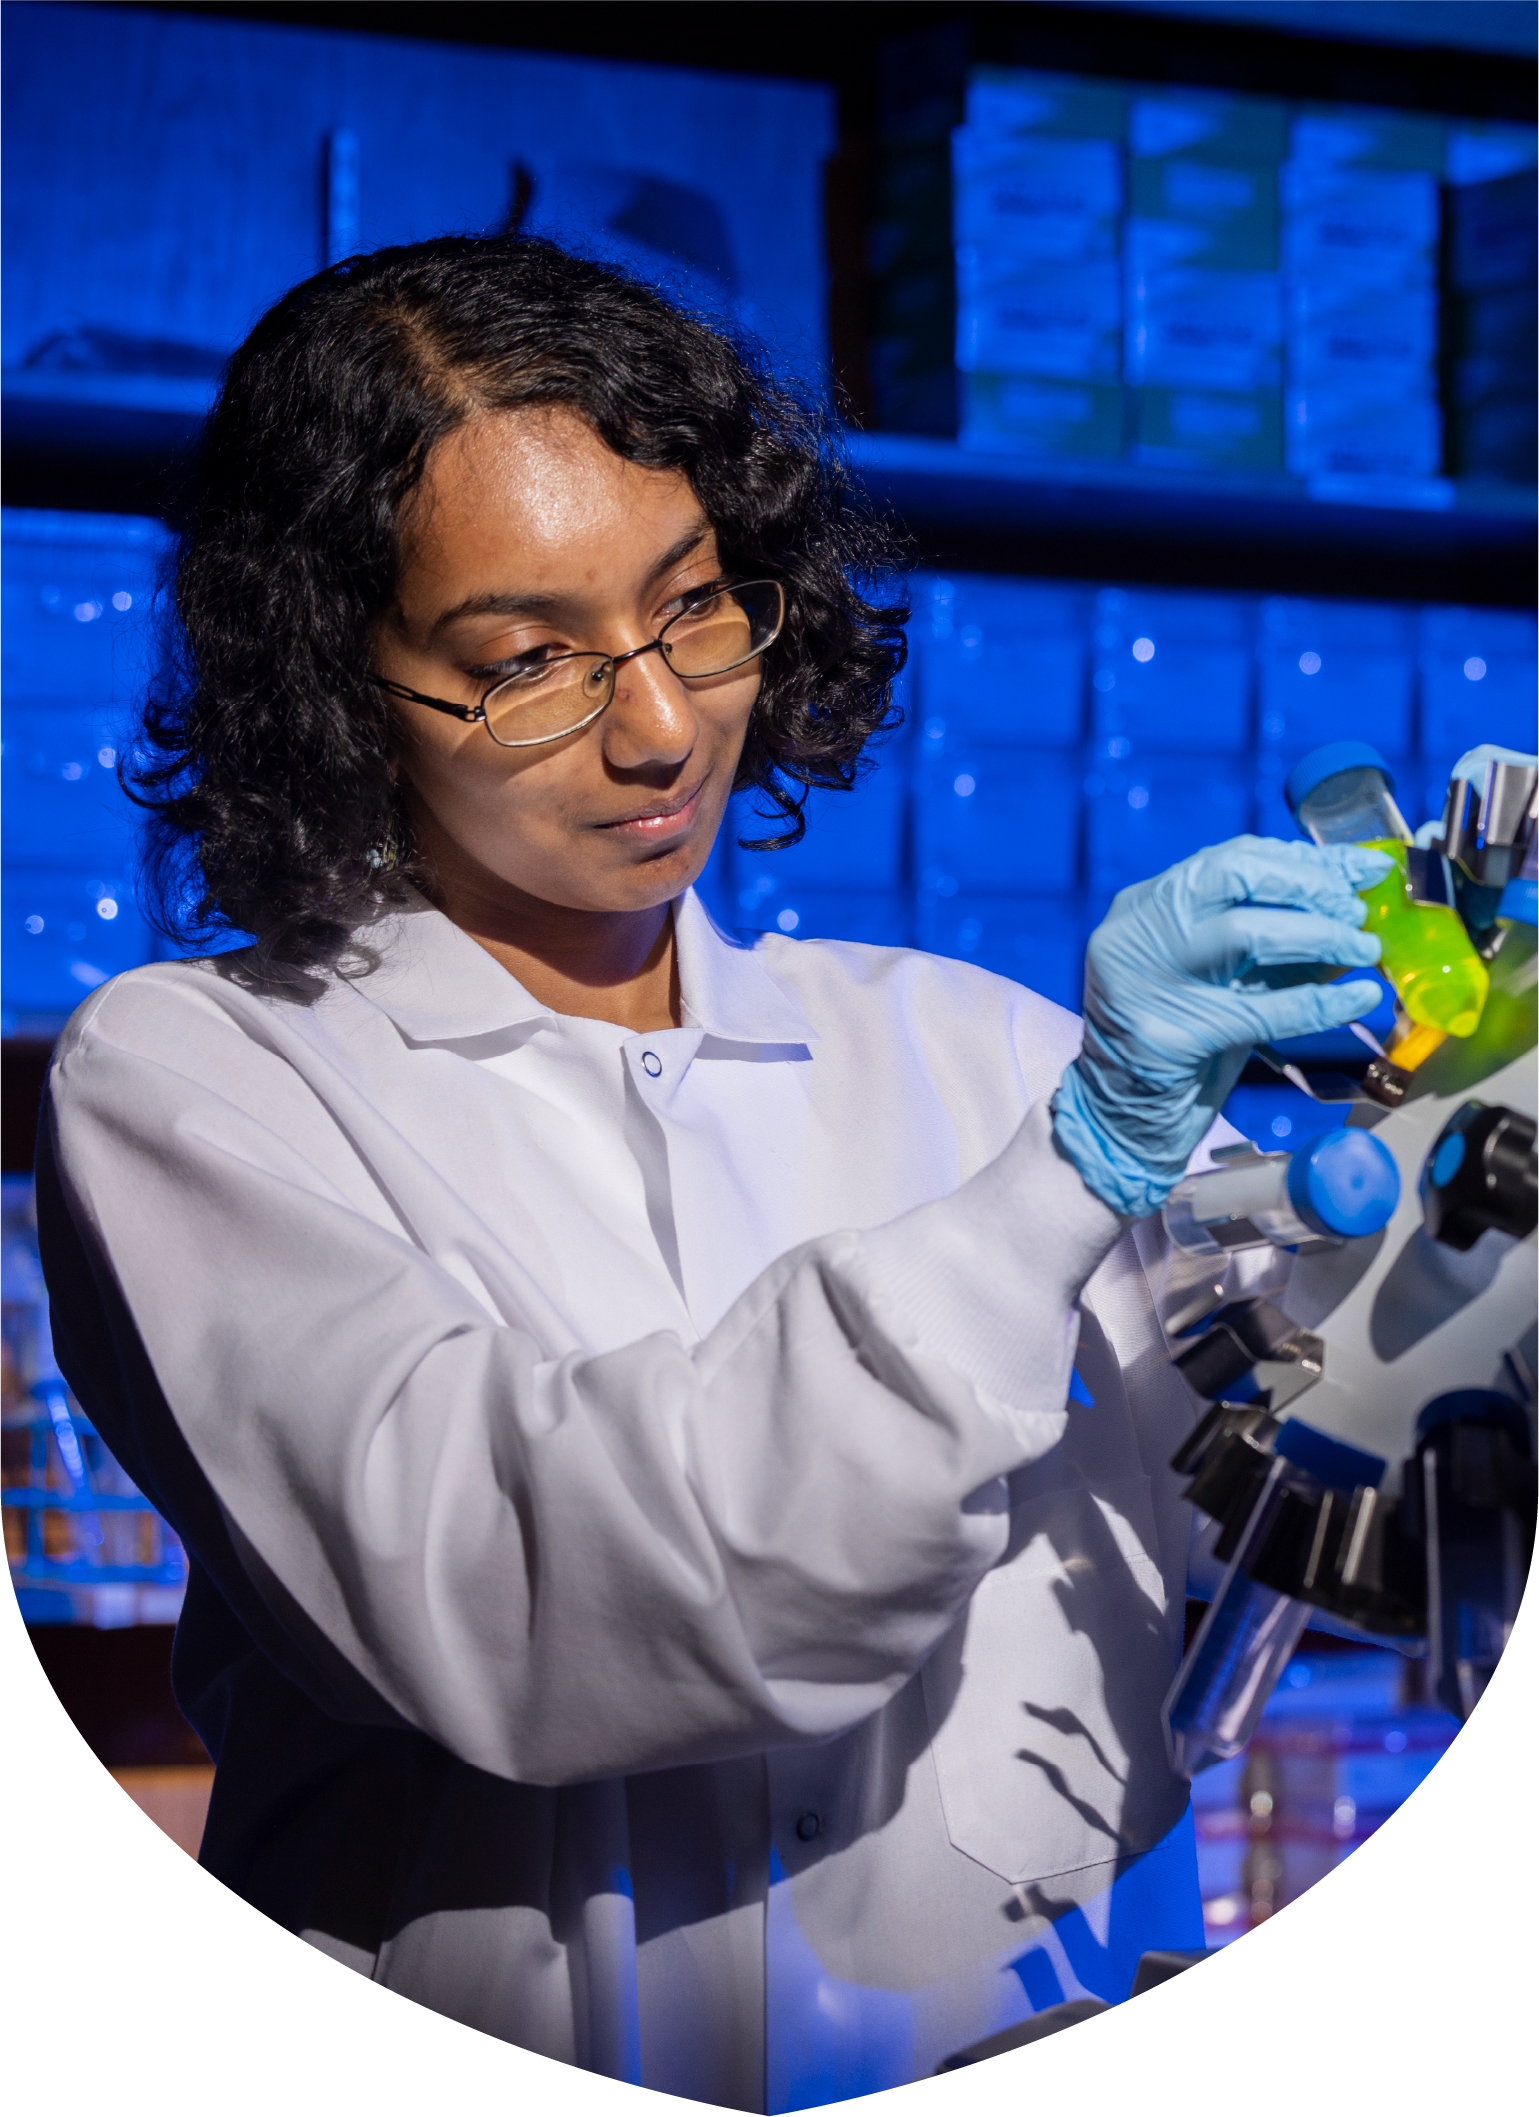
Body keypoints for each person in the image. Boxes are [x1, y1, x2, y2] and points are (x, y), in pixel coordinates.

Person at [35, 236, 1390, 2109]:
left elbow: (1352, 1465)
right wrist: (1066, 1170)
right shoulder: (202, 1082)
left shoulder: (964, 1040)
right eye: (524, 664)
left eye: (692, 609)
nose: (661, 726)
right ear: (339, 684)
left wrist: (1450, 1166)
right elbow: (545, 1592)